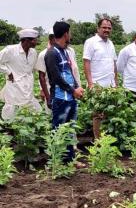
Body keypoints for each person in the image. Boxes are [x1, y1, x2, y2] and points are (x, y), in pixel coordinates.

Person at [44, 21, 84, 162]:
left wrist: (77, 87)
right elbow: (56, 77)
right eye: (70, 32)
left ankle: (70, 160)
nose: (70, 35)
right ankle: (57, 161)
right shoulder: (51, 53)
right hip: (61, 98)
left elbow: (69, 72)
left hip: (71, 97)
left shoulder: (64, 51)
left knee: (70, 130)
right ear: (66, 33)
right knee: (59, 130)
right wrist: (73, 90)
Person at [83, 18, 118, 138]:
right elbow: (86, 63)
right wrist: (90, 84)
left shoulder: (111, 43)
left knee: (108, 114)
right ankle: (98, 141)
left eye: (109, 28)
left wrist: (115, 84)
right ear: (98, 28)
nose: (106, 30)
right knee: (97, 115)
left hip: (110, 85)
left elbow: (114, 65)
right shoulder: (91, 42)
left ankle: (106, 140)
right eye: (104, 27)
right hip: (97, 85)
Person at [0, 28, 41, 120]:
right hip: (14, 85)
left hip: (27, 85)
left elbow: (32, 69)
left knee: (29, 107)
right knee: (12, 106)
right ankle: (8, 127)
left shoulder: (33, 53)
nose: (36, 42)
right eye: (34, 40)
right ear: (26, 40)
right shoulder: (10, 50)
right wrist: (8, 72)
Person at [36, 29, 81, 111]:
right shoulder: (44, 54)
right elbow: (41, 76)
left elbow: (73, 70)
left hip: (72, 91)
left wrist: (77, 87)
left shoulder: (70, 51)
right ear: (52, 39)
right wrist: (43, 91)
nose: (67, 40)